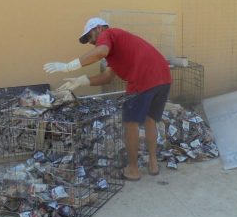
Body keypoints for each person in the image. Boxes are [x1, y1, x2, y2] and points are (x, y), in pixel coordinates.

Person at [43, 17, 172, 181]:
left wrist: (68, 66)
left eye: (89, 37)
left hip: (143, 79)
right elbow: (107, 77)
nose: (90, 42)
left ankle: (133, 169)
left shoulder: (108, 33)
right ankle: (153, 164)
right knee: (150, 120)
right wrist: (82, 81)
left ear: (98, 28)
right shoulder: (116, 48)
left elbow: (100, 51)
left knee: (130, 124)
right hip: (163, 78)